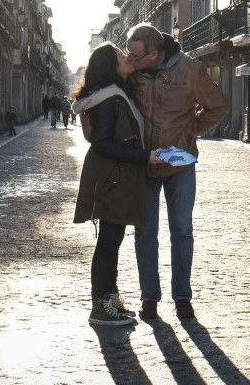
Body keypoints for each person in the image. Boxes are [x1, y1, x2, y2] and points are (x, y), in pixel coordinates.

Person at [125, 23, 229, 320]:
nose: (129, 59)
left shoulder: (189, 69)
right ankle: (149, 298)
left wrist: (191, 131)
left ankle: (182, 297)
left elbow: (217, 106)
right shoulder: (131, 73)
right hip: (144, 161)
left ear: (154, 54)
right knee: (145, 232)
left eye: (135, 55)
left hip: (180, 164)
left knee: (181, 230)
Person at [72, 43, 164, 326]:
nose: (127, 57)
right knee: (108, 243)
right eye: (121, 56)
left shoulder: (116, 95)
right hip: (112, 178)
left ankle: (110, 300)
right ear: (111, 66)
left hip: (118, 177)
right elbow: (102, 144)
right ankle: (100, 307)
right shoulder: (107, 101)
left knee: (113, 240)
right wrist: (145, 156)